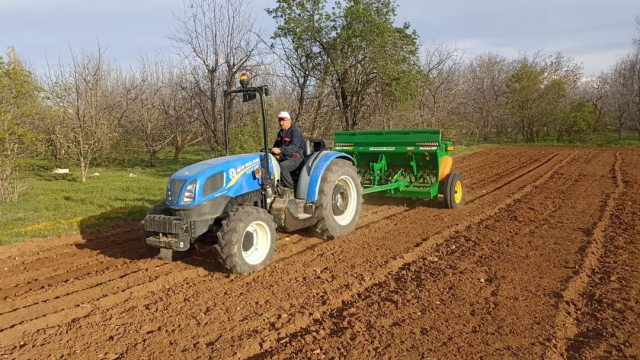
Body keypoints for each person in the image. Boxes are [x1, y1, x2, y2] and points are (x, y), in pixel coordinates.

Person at [271, 111, 304, 197]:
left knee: (282, 166)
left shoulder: (295, 132)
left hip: (296, 157)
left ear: (289, 121)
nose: (281, 123)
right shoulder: (280, 133)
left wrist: (280, 150)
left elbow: (294, 147)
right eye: (279, 120)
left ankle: (292, 189)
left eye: (283, 120)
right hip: (284, 157)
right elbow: (276, 146)